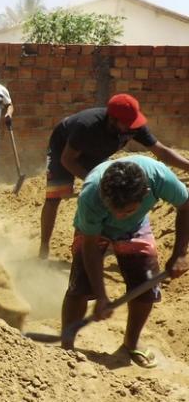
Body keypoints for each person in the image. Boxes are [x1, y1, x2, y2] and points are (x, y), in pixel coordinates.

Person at [60, 156, 189, 368]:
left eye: (127, 210)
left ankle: (131, 342)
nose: (119, 216)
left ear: (145, 194)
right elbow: (90, 246)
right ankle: (66, 346)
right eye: (114, 209)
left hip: (136, 227)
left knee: (146, 286)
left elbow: (186, 206)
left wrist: (180, 253)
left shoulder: (160, 178)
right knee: (80, 286)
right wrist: (101, 296)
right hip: (94, 231)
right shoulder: (91, 195)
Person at [39, 93, 189, 259]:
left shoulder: (133, 125)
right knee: (54, 197)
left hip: (96, 153)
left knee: (113, 195)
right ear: (112, 119)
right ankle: (44, 247)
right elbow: (67, 160)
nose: (132, 127)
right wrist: (95, 181)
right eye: (127, 123)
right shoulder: (87, 126)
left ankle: (106, 237)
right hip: (64, 150)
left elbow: (161, 151)